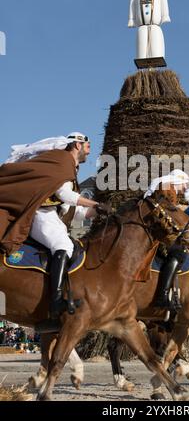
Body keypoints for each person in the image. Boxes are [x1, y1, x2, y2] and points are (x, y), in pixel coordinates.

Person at [0, 132, 109, 331]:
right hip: (42, 214)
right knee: (64, 246)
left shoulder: (70, 168)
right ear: (77, 145)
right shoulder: (63, 162)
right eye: (87, 145)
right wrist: (96, 203)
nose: (90, 149)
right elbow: (64, 195)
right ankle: (56, 302)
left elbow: (75, 212)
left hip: (54, 216)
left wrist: (99, 211)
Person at [144, 169, 189, 310]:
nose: (186, 187)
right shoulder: (166, 187)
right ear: (179, 180)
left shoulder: (169, 189)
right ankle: (162, 295)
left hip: (156, 229)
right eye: (185, 183)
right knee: (178, 252)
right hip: (155, 231)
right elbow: (164, 213)